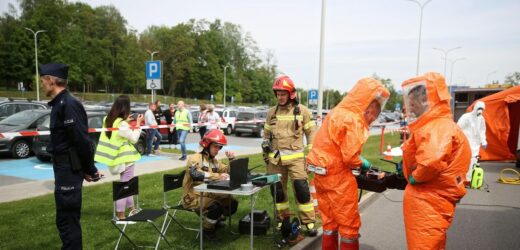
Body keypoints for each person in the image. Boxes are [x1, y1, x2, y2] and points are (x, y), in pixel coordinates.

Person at [306, 78, 390, 250]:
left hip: (321, 176)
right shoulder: (354, 120)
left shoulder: (336, 113)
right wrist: (363, 163)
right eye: (374, 113)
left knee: (329, 224)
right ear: (368, 108)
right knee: (348, 227)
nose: (373, 118)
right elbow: (350, 157)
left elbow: (331, 146)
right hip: (338, 181)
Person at [401, 72, 471, 249]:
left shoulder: (437, 126)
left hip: (427, 200)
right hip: (433, 198)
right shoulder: (439, 125)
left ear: (426, 99)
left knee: (423, 244)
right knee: (434, 243)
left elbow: (430, 161)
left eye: (413, 102)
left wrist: (415, 177)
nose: (411, 107)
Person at [40, 62, 101, 249]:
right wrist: (84, 169)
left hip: (68, 171)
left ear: (51, 80)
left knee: (68, 222)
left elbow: (82, 141)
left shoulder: (69, 104)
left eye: (43, 80)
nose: (42, 84)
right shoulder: (60, 103)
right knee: (65, 220)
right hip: (65, 169)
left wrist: (89, 169)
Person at [263, 75, 318, 237]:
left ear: (291, 94)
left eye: (283, 94)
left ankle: (308, 222)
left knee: (302, 190)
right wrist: (265, 153)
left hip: (296, 160)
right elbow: (266, 136)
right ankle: (283, 220)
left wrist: (311, 155)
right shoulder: (271, 113)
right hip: (276, 160)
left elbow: (311, 134)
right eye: (278, 94)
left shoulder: (303, 111)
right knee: (278, 192)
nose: (280, 97)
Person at [181, 129, 238, 240]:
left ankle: (215, 220)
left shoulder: (214, 161)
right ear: (207, 145)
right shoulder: (195, 158)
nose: (218, 150)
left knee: (232, 203)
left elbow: (226, 170)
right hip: (191, 197)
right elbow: (195, 174)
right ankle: (207, 231)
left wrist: (231, 160)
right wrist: (217, 176)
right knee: (216, 207)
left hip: (206, 193)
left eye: (219, 147)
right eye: (215, 146)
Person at [94, 95, 143, 220]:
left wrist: (125, 122)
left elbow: (117, 131)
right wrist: (137, 124)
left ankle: (132, 209)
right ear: (125, 108)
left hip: (114, 159)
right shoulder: (122, 124)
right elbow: (134, 139)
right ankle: (120, 214)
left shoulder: (107, 119)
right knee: (125, 186)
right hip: (125, 159)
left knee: (127, 184)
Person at [457, 101, 488, 182]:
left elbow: (482, 131)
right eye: (479, 108)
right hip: (466, 142)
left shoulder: (481, 118)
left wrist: (484, 141)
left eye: (482, 109)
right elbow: (458, 128)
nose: (480, 110)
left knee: (473, 161)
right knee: (463, 160)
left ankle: (468, 179)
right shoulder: (466, 117)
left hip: (475, 144)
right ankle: (459, 178)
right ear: (475, 108)